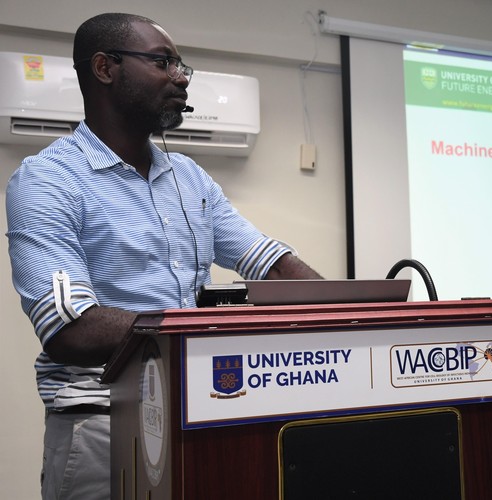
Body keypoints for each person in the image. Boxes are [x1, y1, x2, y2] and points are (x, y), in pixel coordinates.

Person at [5, 12, 322, 499]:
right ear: (105, 68)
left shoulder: (189, 177)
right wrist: (206, 330)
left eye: (181, 66)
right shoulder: (50, 179)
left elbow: (273, 263)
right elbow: (72, 329)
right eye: (163, 62)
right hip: (103, 427)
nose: (180, 77)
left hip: (199, 415)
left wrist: (353, 309)